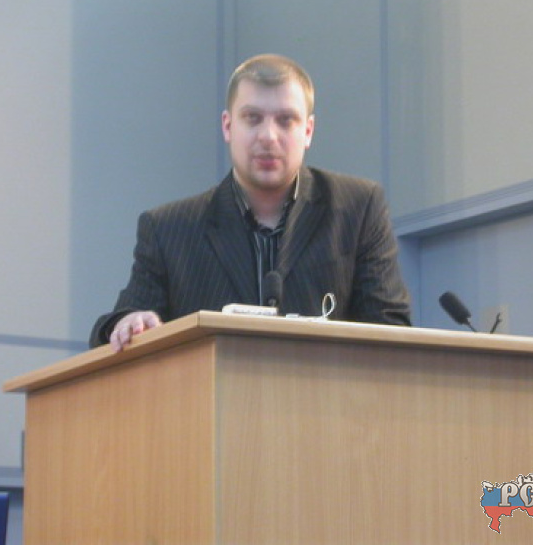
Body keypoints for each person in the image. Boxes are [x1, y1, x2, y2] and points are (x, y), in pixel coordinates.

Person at [90, 54, 411, 350]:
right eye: (253, 118)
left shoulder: (358, 209)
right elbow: (118, 326)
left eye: (286, 120)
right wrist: (128, 323)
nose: (268, 136)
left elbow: (391, 330)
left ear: (308, 131)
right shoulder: (168, 229)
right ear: (228, 126)